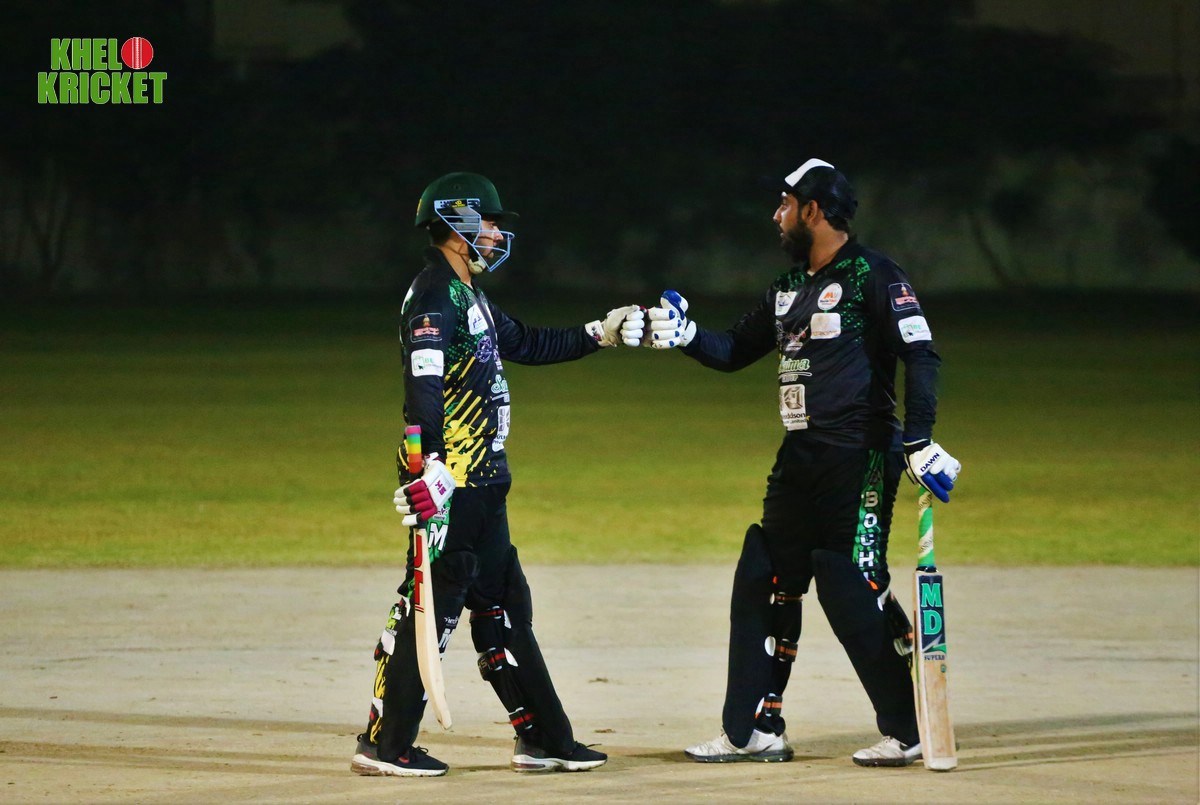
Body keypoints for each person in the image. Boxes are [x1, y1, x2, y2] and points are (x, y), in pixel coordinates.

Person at [641, 158, 962, 767]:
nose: (776, 215)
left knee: (851, 584)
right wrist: (684, 334)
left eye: (785, 204)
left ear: (813, 210)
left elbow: (922, 355)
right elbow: (733, 349)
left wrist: (918, 441)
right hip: (800, 456)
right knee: (768, 575)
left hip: (860, 456)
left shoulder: (874, 274)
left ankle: (907, 729)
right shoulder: (787, 287)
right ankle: (756, 728)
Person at [350, 171, 641, 778]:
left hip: (484, 484)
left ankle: (543, 738)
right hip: (452, 486)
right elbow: (423, 387)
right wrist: (427, 465)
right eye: (488, 222)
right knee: (430, 611)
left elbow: (528, 343)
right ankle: (385, 744)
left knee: (504, 606)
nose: (495, 234)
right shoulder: (435, 294)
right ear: (457, 223)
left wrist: (601, 333)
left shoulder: (470, 295)